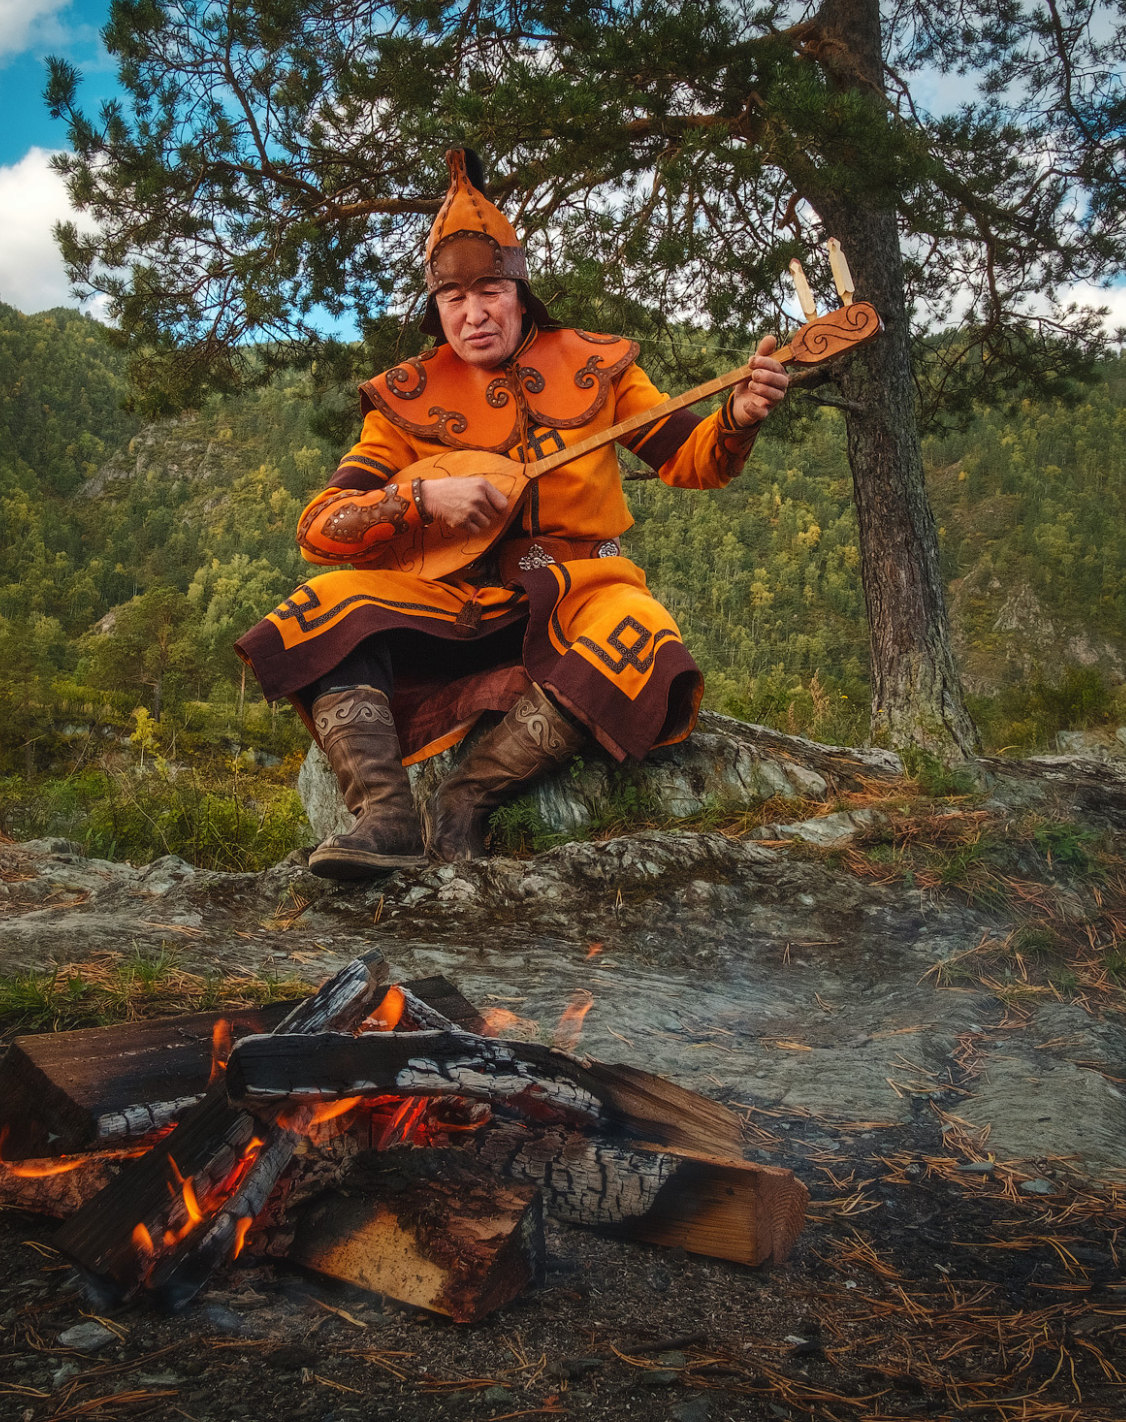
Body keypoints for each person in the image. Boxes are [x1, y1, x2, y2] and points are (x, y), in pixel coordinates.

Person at [236, 149, 789, 879]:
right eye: (453, 299)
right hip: (455, 597)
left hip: (580, 590)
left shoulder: (597, 363)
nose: (472, 314)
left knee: (642, 628)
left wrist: (739, 416)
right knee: (323, 604)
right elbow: (321, 525)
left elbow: (693, 461)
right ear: (436, 307)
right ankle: (386, 817)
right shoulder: (407, 397)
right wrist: (420, 499)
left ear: (521, 289)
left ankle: (464, 806)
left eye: (489, 289)